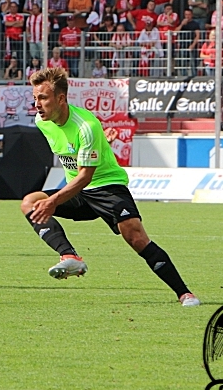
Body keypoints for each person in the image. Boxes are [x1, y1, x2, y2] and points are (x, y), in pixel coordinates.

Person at [20, 68, 200, 307]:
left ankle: (185, 293)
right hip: (79, 192)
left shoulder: (86, 125)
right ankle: (70, 256)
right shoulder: (42, 123)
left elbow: (86, 175)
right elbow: (78, 158)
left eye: (42, 98)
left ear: (61, 98)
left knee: (136, 238)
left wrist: (53, 201)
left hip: (107, 187)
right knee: (30, 202)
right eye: (35, 98)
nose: (37, 104)